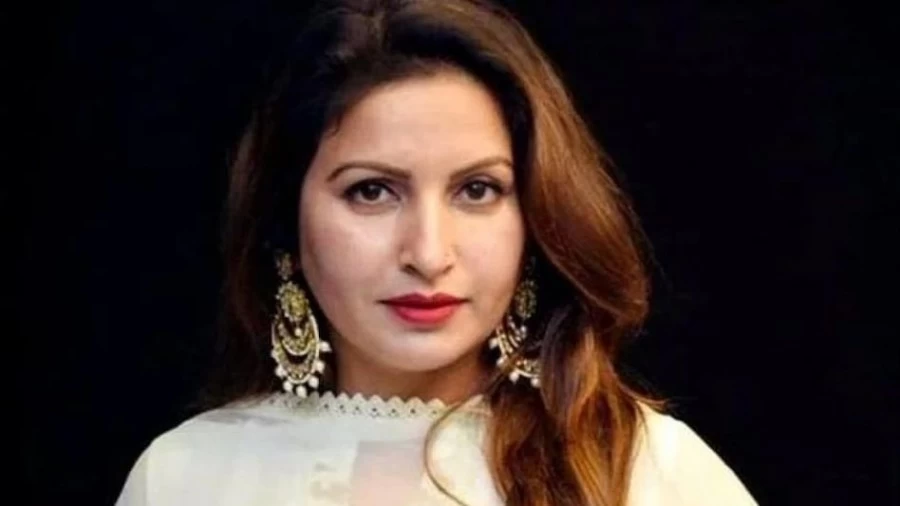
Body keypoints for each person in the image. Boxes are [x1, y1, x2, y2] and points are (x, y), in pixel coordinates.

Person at [116, 0, 758, 504]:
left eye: (477, 190)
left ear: (535, 218)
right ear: (285, 222)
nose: (428, 253)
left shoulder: (649, 471)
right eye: (372, 191)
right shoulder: (185, 478)